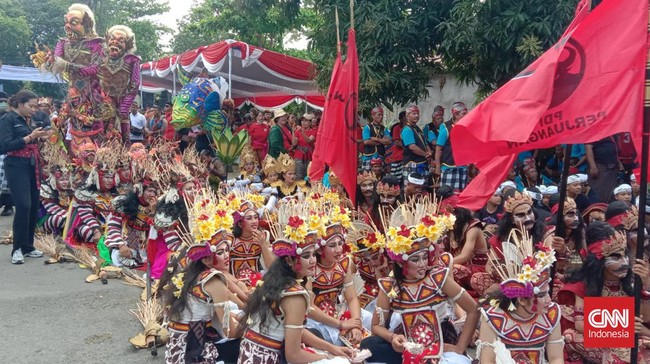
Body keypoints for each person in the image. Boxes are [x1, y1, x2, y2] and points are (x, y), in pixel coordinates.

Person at [360, 202, 479, 364]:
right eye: (416, 259)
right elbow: (376, 327)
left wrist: (459, 347)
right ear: (401, 262)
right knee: (368, 345)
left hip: (441, 342)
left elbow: (473, 310)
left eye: (424, 257)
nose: (423, 263)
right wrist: (393, 338)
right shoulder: (390, 287)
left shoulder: (439, 279)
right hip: (407, 344)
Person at [238, 208, 354, 363]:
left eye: (313, 254)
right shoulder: (295, 295)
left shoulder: (275, 282)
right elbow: (293, 356)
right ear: (289, 261)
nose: (313, 260)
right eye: (306, 256)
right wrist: (330, 356)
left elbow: (296, 329)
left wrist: (332, 348)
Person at [161, 189, 241, 364]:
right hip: (195, 354)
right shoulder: (213, 279)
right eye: (220, 252)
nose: (227, 255)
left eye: (227, 250)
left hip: (176, 352)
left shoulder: (191, 273)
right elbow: (229, 331)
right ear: (205, 258)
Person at [558, 221, 650, 363]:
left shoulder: (631, 283)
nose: (624, 262)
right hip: (601, 336)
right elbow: (580, 325)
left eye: (625, 255)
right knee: (570, 337)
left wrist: (645, 285)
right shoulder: (583, 286)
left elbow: (644, 320)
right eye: (615, 257)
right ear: (599, 262)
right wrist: (622, 329)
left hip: (632, 337)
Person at [476, 233, 563, 363]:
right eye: (541, 295)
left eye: (547, 293)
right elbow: (487, 361)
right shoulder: (493, 318)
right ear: (521, 300)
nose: (549, 300)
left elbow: (556, 359)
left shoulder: (551, 313)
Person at [0, 90, 53, 264]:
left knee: (33, 205)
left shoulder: (28, 120)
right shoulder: (8, 120)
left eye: (36, 106)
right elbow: (5, 145)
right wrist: (30, 137)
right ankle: (17, 248)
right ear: (20, 104)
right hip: (16, 166)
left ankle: (28, 246)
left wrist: (41, 138)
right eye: (31, 106)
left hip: (32, 165)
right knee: (23, 205)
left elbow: (32, 141)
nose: (34, 110)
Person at [434, 102, 469, 191]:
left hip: (462, 167)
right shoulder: (446, 129)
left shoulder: (466, 128)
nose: (467, 116)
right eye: (464, 114)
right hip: (448, 167)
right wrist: (438, 167)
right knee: (447, 193)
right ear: (456, 115)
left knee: (460, 194)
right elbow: (438, 150)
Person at [400, 105, 431, 185]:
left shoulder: (417, 128)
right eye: (414, 114)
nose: (416, 115)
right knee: (412, 187)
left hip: (421, 162)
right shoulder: (407, 129)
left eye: (417, 113)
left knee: (422, 187)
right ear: (407, 116)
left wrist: (429, 151)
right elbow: (412, 147)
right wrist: (426, 155)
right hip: (412, 163)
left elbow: (425, 143)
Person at [292, 113, 316, 180]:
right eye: (302, 120)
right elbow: (294, 144)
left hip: (308, 155)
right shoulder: (297, 131)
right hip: (298, 154)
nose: (303, 122)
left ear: (310, 122)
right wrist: (293, 132)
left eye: (306, 121)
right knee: (298, 173)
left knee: (308, 173)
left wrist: (302, 132)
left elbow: (309, 140)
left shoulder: (313, 131)